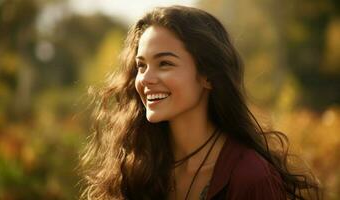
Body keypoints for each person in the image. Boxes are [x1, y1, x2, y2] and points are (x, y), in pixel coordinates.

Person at [79, 5, 321, 200]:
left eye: (165, 64)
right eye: (141, 65)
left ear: (207, 76)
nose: (145, 79)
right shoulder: (137, 167)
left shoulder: (250, 177)